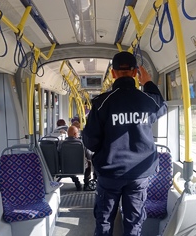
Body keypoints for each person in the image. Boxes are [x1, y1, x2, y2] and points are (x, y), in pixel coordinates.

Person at [82, 51, 167, 236]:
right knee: (133, 223)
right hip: (139, 172)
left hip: (110, 172)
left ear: (113, 73)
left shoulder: (102, 103)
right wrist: (148, 83)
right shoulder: (148, 100)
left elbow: (91, 142)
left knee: (104, 221)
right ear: (136, 72)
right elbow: (162, 106)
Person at [58, 125, 93, 190]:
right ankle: (86, 183)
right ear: (75, 134)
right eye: (78, 133)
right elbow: (89, 155)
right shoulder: (81, 143)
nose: (79, 134)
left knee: (70, 166)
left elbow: (58, 154)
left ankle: (76, 180)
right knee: (89, 163)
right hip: (81, 166)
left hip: (66, 166)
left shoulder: (61, 144)